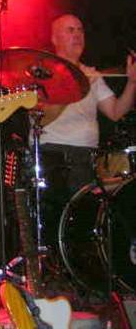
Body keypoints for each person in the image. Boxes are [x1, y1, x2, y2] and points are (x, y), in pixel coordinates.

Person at [38, 13, 136, 250]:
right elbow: (42, 119)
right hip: (56, 157)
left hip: (87, 157)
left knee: (87, 224)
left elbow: (115, 111)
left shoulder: (90, 73)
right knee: (60, 226)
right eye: (70, 30)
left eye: (80, 30)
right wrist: (77, 88)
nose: (77, 35)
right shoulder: (44, 71)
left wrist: (133, 82)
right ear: (54, 38)